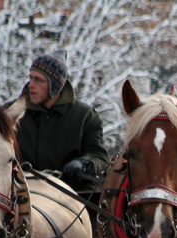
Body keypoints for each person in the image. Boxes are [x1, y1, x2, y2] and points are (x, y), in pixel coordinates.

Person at [14, 49, 109, 192]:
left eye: (38, 80)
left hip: (71, 198)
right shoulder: (12, 114)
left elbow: (98, 155)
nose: (30, 85)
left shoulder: (85, 117)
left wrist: (83, 165)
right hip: (19, 195)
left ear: (55, 86)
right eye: (31, 78)